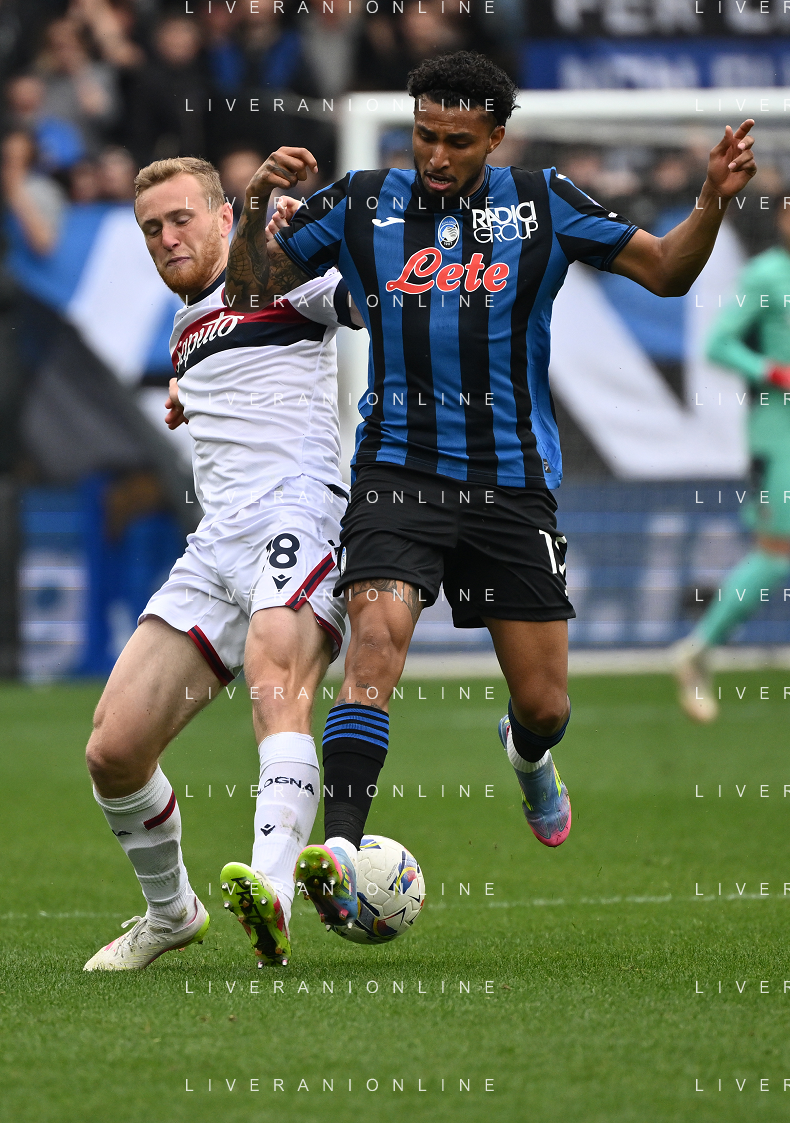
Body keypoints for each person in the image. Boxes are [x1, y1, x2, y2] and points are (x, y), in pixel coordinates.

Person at [223, 50, 757, 929]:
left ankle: (528, 755)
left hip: (510, 484)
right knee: (374, 647)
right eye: (424, 135)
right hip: (396, 472)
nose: (436, 155)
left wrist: (711, 198)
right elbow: (250, 291)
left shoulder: (543, 202)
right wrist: (253, 207)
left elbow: (668, 271)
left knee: (545, 703)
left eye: (458, 141)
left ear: (496, 137)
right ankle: (341, 851)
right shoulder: (360, 202)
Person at [82, 156, 360, 970]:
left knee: (277, 681)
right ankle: (172, 912)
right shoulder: (185, 330)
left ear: (224, 216)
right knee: (113, 750)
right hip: (215, 549)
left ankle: (271, 886)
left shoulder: (280, 274)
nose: (167, 238)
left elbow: (362, 301)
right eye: (151, 229)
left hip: (298, 515)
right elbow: (222, 374)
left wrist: (340, 240)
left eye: (181, 219)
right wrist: (186, 392)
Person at [672, 203, 790, 723]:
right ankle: (697, 652)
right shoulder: (766, 275)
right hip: (779, 434)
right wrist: (774, 371)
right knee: (776, 553)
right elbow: (719, 343)